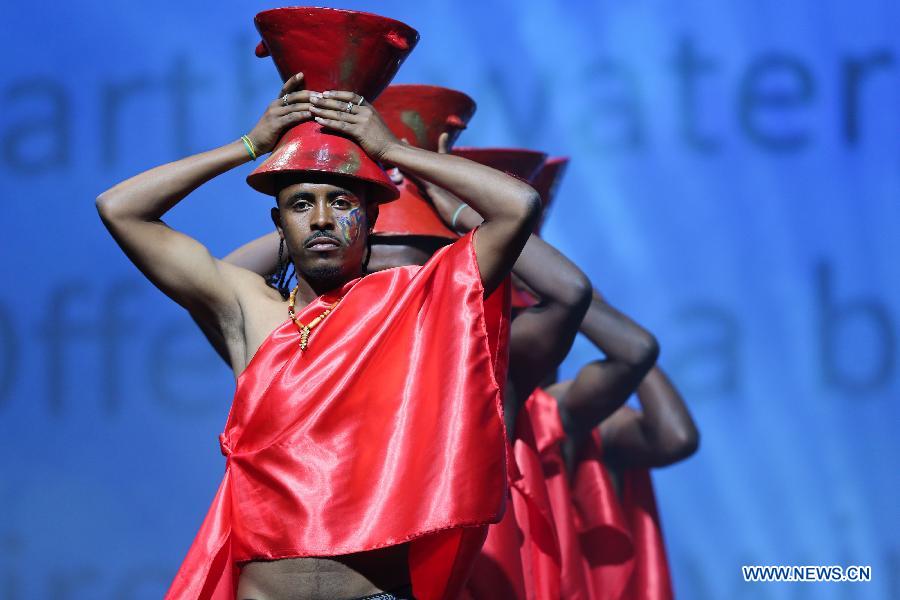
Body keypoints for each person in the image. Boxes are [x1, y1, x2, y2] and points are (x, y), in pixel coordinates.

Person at [96, 19, 541, 593]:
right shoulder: (247, 309)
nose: (324, 219)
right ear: (278, 221)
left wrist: (391, 149)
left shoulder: (414, 301)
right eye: (302, 203)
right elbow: (120, 208)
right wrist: (250, 145)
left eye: (342, 201)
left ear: (373, 217)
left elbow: (517, 205)